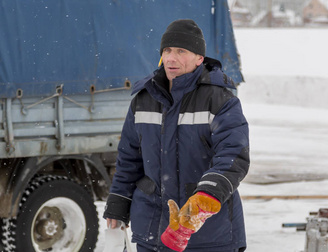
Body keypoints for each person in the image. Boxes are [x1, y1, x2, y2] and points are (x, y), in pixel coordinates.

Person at [103, 19, 250, 252]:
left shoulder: (220, 100)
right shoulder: (143, 100)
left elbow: (233, 155)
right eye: (167, 50)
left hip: (208, 237)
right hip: (152, 233)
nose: (171, 58)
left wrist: (206, 196)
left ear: (199, 58)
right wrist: (119, 201)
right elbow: (129, 158)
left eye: (181, 51)